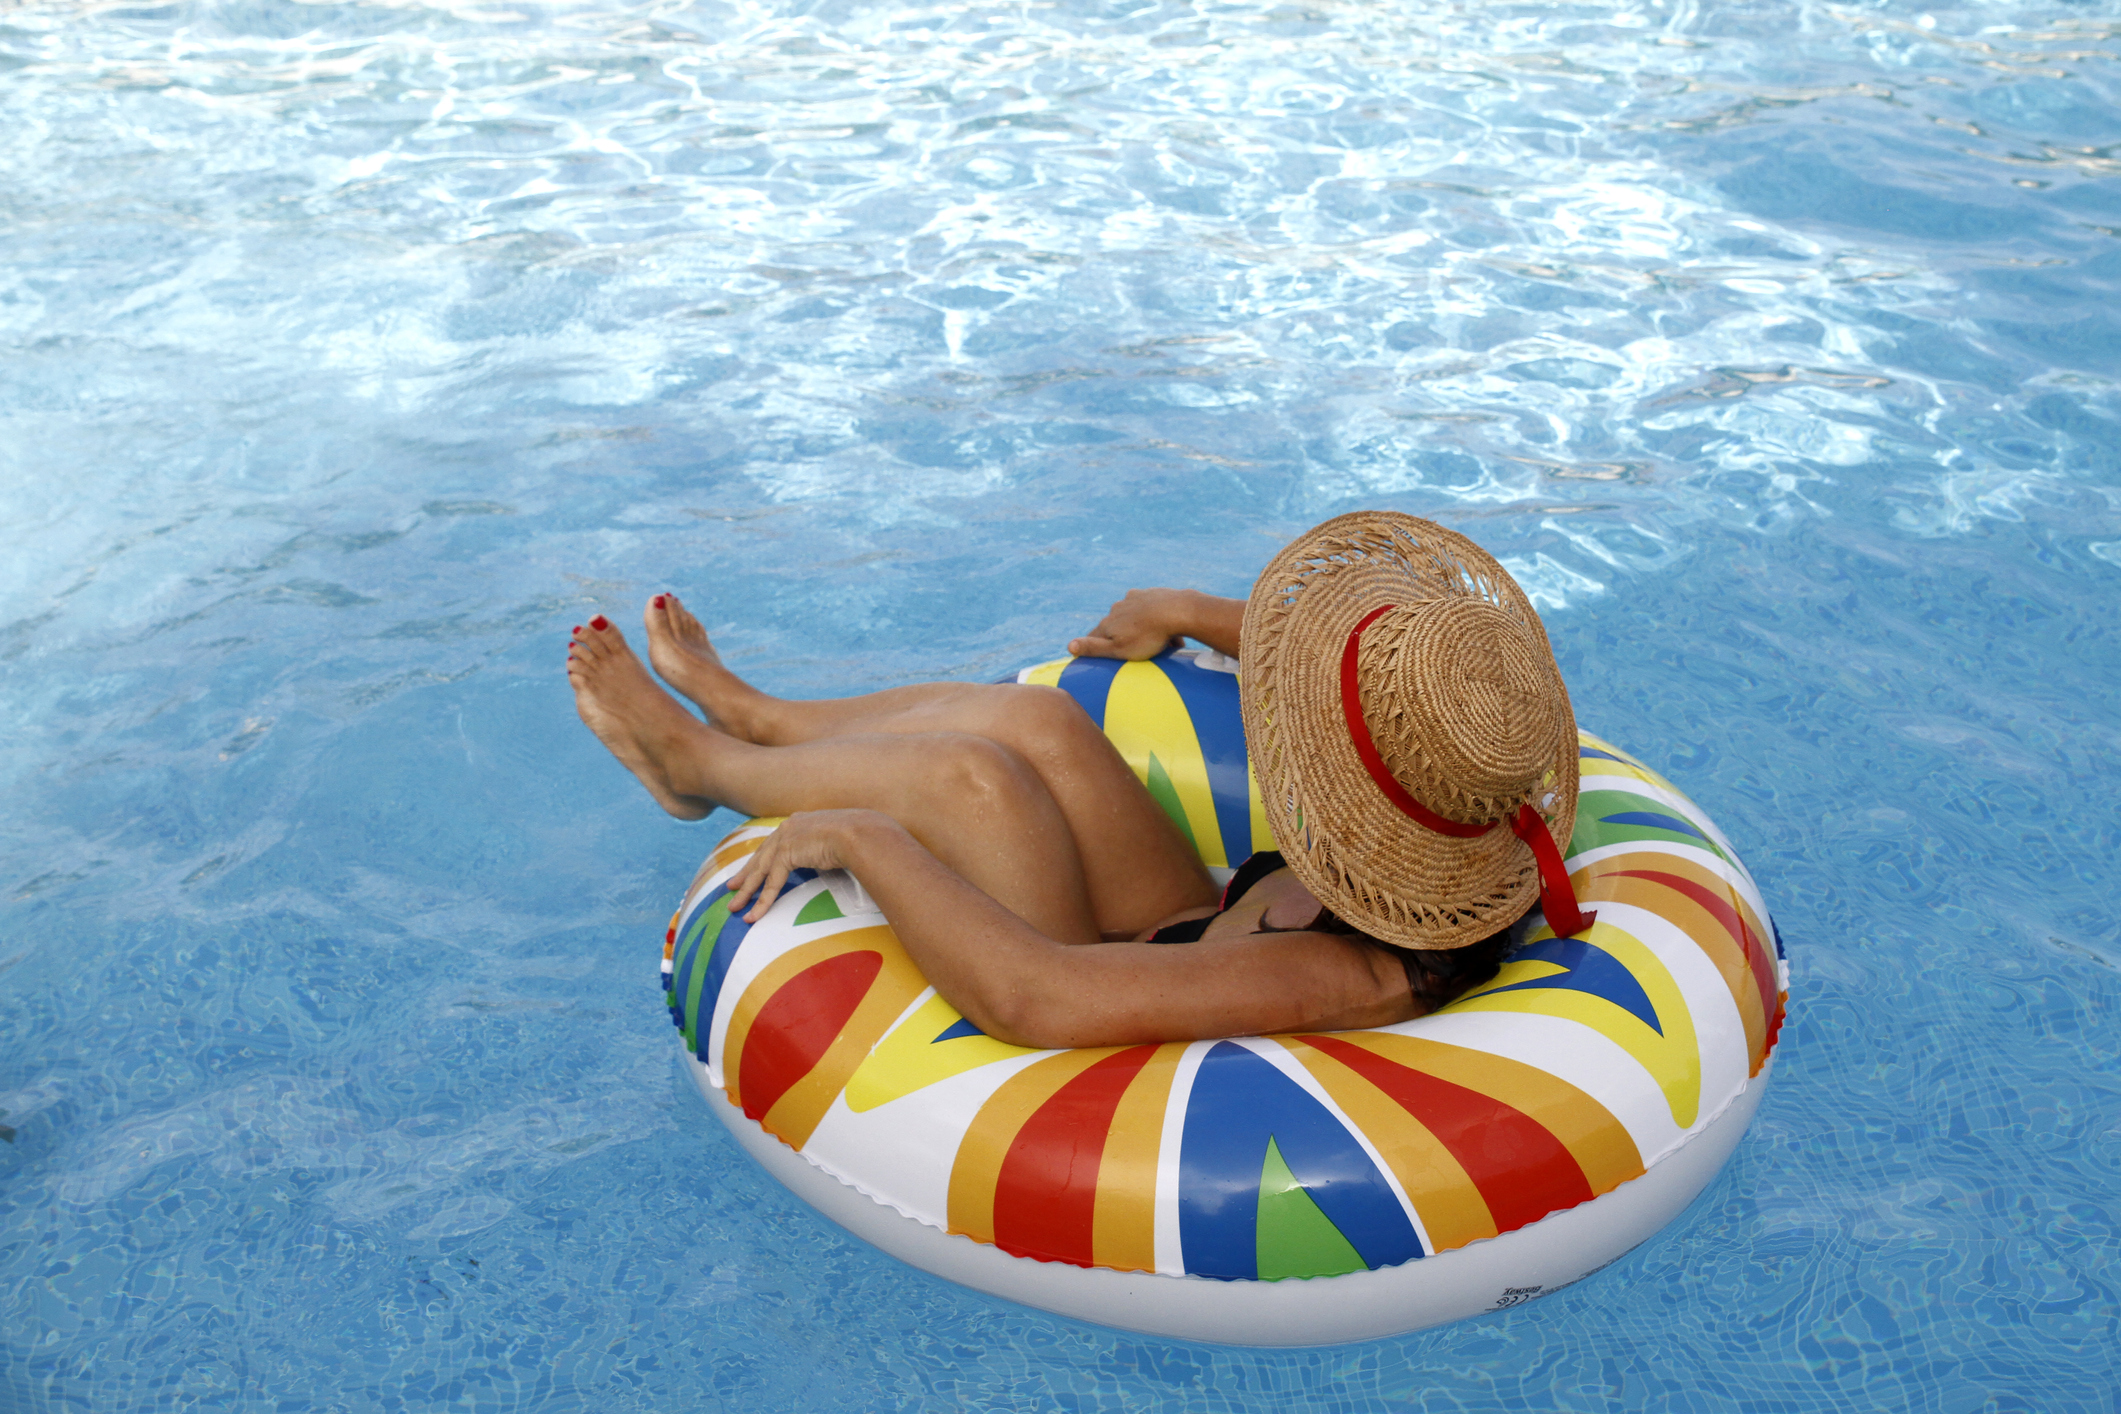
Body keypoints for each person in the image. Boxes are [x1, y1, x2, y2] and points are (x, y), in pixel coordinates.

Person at [566, 511, 1595, 1051]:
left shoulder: (1339, 974)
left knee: (975, 778)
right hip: (1194, 920)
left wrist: (865, 839)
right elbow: (1333, 669)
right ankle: (762, 718)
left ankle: (702, 767)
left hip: (1092, 988)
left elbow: (1037, 998)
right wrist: (1190, 608)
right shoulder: (1467, 775)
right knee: (1036, 719)